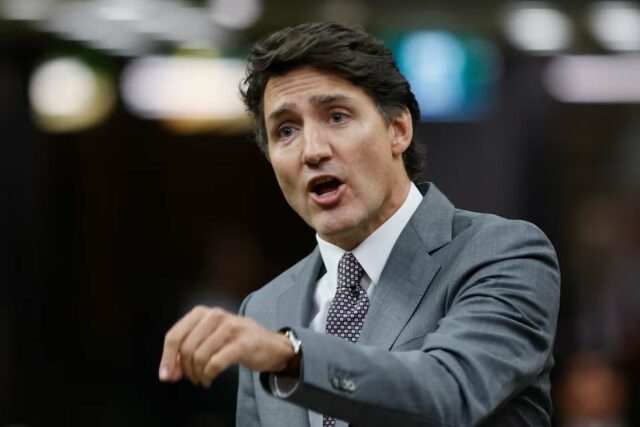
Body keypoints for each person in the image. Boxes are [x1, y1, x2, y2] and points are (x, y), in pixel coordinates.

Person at [159, 22, 561, 426]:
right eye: (286, 130)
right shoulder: (264, 310)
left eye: (336, 116)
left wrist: (293, 358)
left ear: (398, 130)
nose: (312, 150)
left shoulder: (503, 254)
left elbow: (449, 392)